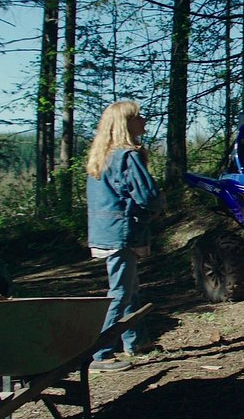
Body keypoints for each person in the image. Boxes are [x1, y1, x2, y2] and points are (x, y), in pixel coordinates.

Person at [86, 101, 165, 372]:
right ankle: (100, 354)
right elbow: (147, 195)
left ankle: (136, 341)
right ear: (125, 124)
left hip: (105, 230)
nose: (143, 120)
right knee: (120, 292)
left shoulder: (103, 155)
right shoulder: (127, 156)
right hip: (122, 231)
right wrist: (158, 204)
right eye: (138, 117)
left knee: (130, 289)